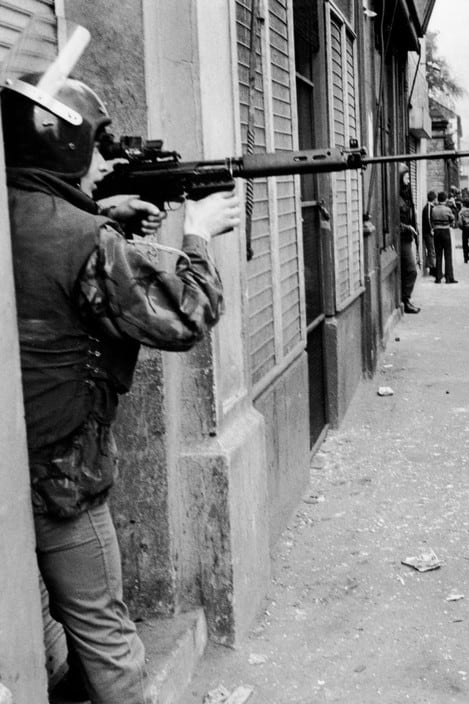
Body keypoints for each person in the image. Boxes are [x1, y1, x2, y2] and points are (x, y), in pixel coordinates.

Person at [3, 75, 240, 703]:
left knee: (81, 632)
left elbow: (41, 251)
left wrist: (103, 212)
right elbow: (183, 318)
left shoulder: (17, 212)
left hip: (20, 463)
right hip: (59, 480)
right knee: (112, 644)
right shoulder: (88, 242)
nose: (107, 163)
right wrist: (198, 234)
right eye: (99, 148)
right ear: (68, 147)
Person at [398, 186, 421, 314]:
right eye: (405, 178)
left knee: (408, 270)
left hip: (407, 238)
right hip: (401, 238)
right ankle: (405, 300)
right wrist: (407, 227)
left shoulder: (407, 199)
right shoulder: (398, 199)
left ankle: (405, 299)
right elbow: (394, 220)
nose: (407, 182)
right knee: (412, 270)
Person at [429, 190, 457, 283]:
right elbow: (452, 219)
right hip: (445, 231)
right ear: (445, 199)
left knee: (438, 254)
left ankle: (438, 277)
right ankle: (449, 278)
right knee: (448, 255)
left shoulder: (434, 209)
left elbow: (432, 219)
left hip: (437, 232)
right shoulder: (447, 209)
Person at [420, 190, 436, 278]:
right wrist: (431, 230)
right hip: (428, 232)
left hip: (428, 232)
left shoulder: (429, 207)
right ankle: (432, 268)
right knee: (432, 250)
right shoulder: (429, 207)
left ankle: (432, 267)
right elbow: (429, 219)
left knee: (432, 250)